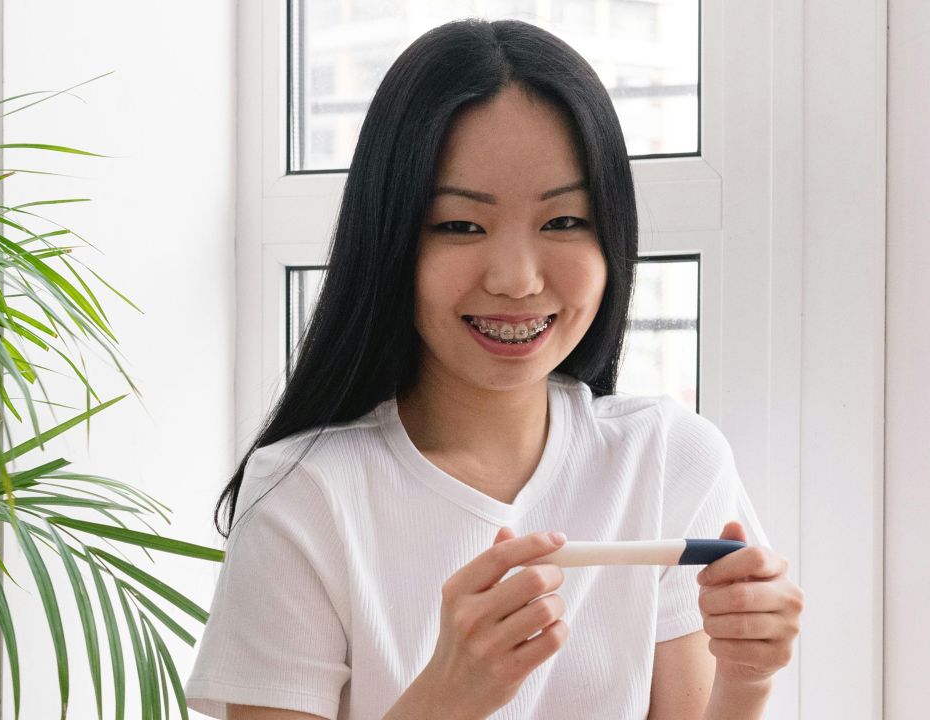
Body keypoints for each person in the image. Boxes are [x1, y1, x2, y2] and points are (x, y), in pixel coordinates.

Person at [185, 18, 803, 720]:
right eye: (461, 226)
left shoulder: (667, 458)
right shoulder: (304, 496)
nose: (516, 279)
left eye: (564, 222)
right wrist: (448, 695)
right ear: (391, 241)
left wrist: (748, 680)